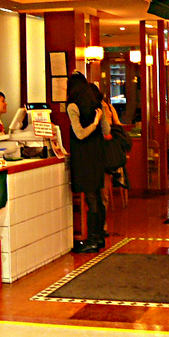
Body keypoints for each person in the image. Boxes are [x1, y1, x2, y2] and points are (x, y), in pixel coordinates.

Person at [67, 73, 110, 253]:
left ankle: (92, 240)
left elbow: (80, 134)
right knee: (97, 197)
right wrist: (98, 121)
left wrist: (93, 124)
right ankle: (99, 237)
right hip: (98, 154)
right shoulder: (97, 103)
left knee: (91, 199)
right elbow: (106, 129)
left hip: (83, 157)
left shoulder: (72, 106)